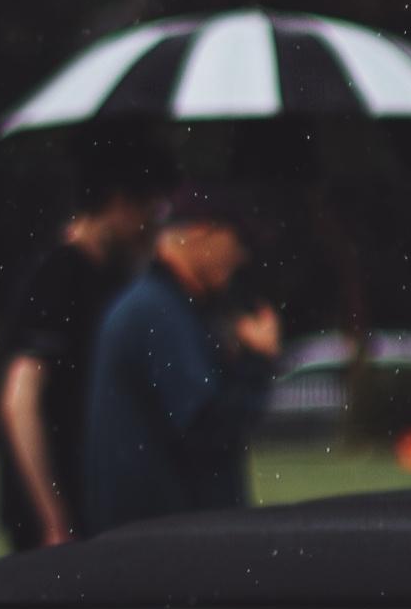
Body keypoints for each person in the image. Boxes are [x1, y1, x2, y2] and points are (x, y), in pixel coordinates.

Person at [80, 191, 281, 533]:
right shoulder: (159, 312)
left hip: (150, 539)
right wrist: (257, 363)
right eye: (237, 242)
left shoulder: (156, 304)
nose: (241, 257)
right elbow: (208, 426)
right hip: (166, 546)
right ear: (202, 233)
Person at [0, 152, 159, 546]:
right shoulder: (58, 278)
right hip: (57, 517)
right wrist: (52, 517)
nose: (150, 227)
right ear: (119, 204)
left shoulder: (109, 277)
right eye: (147, 211)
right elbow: (19, 400)